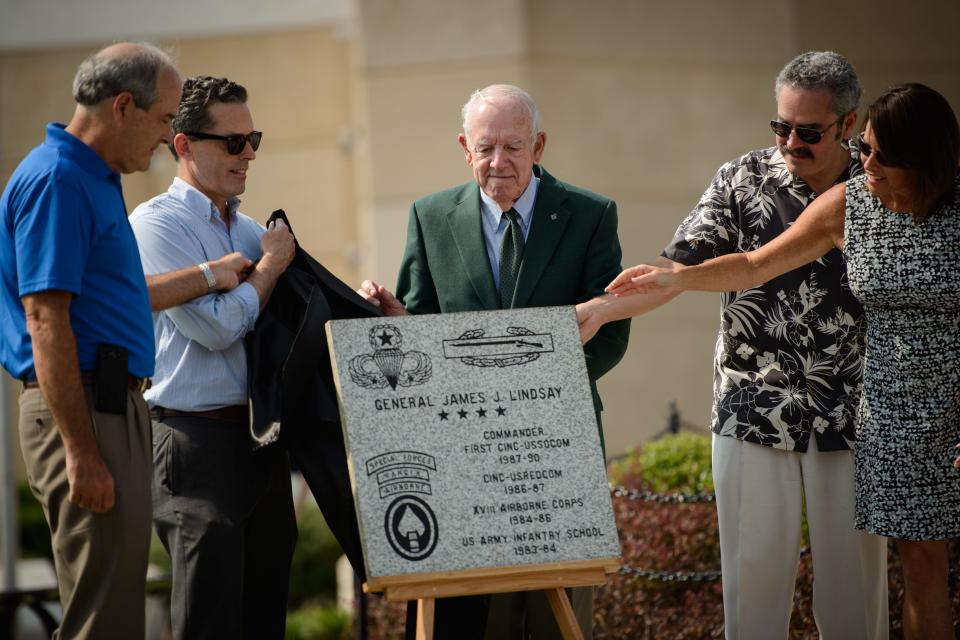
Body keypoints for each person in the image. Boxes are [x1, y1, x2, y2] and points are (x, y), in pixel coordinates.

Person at [604, 82, 960, 640]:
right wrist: (677, 277)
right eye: (864, 149)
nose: (867, 165)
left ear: (927, 160)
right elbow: (752, 266)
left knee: (922, 572)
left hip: (947, 407)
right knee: (921, 568)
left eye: (882, 157)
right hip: (890, 414)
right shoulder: (851, 204)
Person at [359, 84, 630, 640]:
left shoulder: (590, 215)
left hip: (558, 446)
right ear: (464, 147)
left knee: (558, 610)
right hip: (465, 448)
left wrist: (536, 393)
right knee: (482, 616)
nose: (498, 162)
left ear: (540, 145)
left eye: (513, 147)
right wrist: (398, 324)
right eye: (485, 148)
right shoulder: (430, 216)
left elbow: (611, 333)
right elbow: (424, 323)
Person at [0, 42, 247, 640]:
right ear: (121, 107)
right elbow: (46, 320)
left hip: (111, 404)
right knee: (102, 621)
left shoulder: (90, 176)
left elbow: (121, 295)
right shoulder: (58, 179)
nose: (168, 138)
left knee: (114, 613)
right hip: (86, 408)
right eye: (165, 119)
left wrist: (214, 274)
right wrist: (81, 451)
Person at [129, 75, 298, 639]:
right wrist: (270, 269)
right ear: (183, 145)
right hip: (191, 442)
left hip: (260, 439)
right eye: (232, 142)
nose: (247, 154)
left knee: (263, 616)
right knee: (210, 621)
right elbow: (218, 330)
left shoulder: (253, 233)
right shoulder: (155, 225)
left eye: (254, 139)